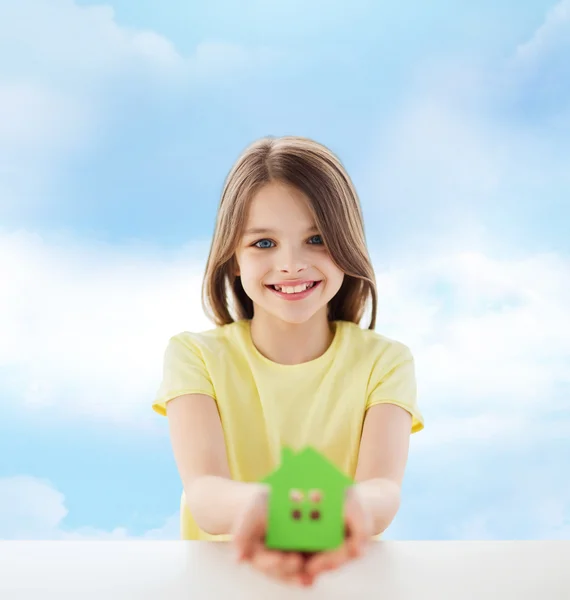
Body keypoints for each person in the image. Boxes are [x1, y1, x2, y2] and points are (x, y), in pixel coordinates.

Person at [152, 135, 424, 587]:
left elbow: (382, 490)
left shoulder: (385, 362)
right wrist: (273, 508)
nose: (292, 264)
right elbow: (205, 493)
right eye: (263, 244)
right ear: (233, 259)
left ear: (346, 244)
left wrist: (348, 509)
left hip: (341, 582)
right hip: (222, 585)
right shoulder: (194, 356)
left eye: (316, 239)